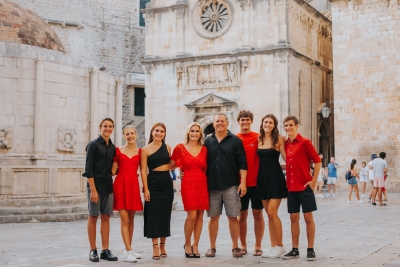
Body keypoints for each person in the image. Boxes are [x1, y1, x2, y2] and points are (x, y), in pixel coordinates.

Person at [204, 113, 247, 258]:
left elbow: (242, 162)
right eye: (217, 121)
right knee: (213, 217)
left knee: (233, 217)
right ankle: (211, 247)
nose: (220, 123)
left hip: (231, 185)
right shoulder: (207, 141)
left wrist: (243, 183)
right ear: (214, 123)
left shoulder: (235, 141)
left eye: (222, 121)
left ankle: (235, 247)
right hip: (212, 186)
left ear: (227, 123)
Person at [281, 116, 321, 261]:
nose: (288, 128)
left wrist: (314, 181)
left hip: (304, 186)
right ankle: (295, 249)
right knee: (293, 218)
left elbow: (317, 161)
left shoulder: (304, 142)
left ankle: (310, 249)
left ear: (297, 126)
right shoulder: (286, 144)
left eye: (290, 125)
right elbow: (290, 163)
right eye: (285, 125)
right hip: (291, 187)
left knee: (308, 217)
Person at [170, 122, 208, 258]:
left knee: (200, 216)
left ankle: (195, 244)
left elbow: (206, 168)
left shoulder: (204, 149)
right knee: (191, 216)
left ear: (200, 134)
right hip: (188, 184)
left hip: (202, 184)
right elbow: (171, 165)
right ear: (188, 132)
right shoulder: (180, 148)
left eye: (197, 131)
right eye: (192, 131)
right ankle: (187, 244)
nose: (194, 133)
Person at [83, 118, 118, 262]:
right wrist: (93, 190)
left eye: (110, 126)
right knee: (93, 217)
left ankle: (105, 250)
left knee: (106, 217)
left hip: (108, 187)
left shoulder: (113, 147)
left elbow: (113, 170)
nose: (107, 128)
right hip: (95, 187)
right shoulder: (93, 145)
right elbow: (88, 169)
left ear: (113, 128)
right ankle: (93, 250)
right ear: (100, 127)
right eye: (105, 126)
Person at [255, 114, 288, 258]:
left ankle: (280, 245)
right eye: (265, 122)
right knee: (268, 214)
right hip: (261, 180)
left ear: (274, 125)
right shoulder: (258, 139)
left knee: (272, 212)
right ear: (262, 123)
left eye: (270, 122)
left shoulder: (279, 139)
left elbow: (287, 159)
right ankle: (273, 245)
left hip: (275, 179)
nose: (267, 124)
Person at [140, 122, 174, 260]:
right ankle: (154, 247)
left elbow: (171, 165)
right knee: (153, 215)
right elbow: (143, 170)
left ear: (165, 134)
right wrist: (146, 188)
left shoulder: (168, 147)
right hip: (153, 182)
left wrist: (182, 171)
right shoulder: (145, 149)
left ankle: (163, 245)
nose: (159, 133)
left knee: (165, 215)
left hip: (166, 182)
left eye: (162, 131)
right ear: (152, 132)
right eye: (156, 130)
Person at [235, 110, 265, 257]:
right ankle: (243, 244)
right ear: (238, 122)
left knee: (258, 214)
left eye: (247, 119)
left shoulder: (258, 138)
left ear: (251, 121)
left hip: (257, 183)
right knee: (242, 215)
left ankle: (258, 244)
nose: (245, 122)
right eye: (242, 120)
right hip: (240, 184)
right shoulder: (234, 139)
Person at [111, 125, 143, 262]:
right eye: (127, 134)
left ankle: (127, 249)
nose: (129, 136)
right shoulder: (118, 150)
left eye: (131, 133)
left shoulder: (140, 152)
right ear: (124, 136)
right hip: (121, 185)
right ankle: (129, 250)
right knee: (124, 219)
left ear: (136, 135)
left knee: (131, 219)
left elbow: (143, 170)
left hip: (133, 186)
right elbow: (112, 171)